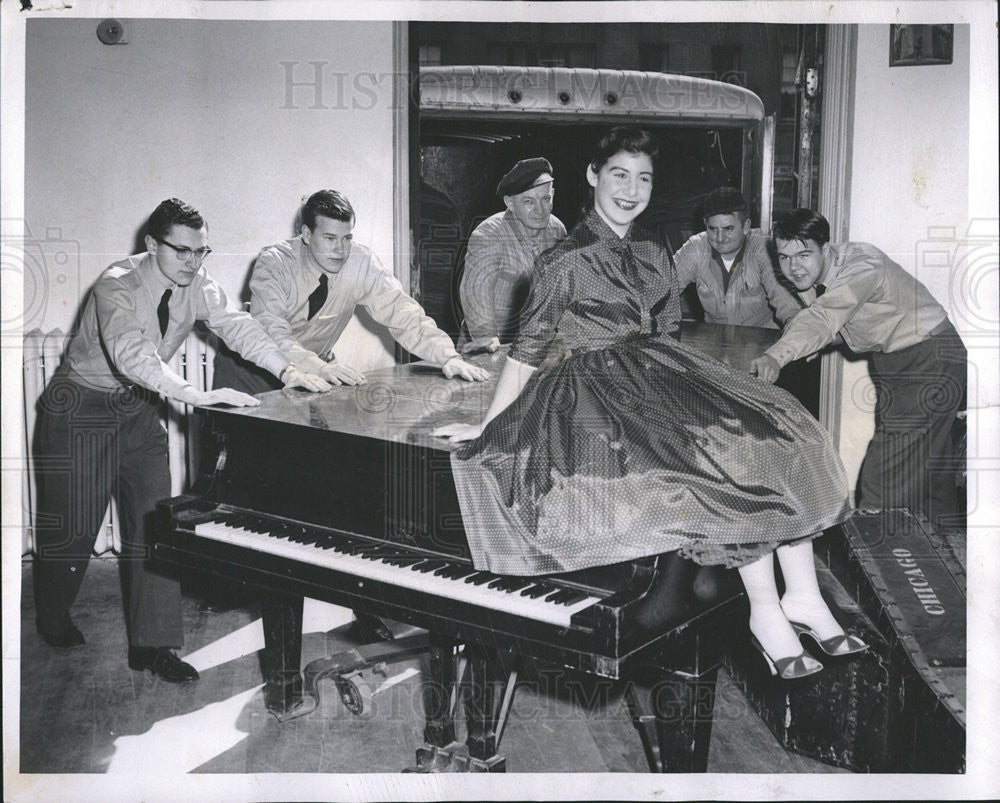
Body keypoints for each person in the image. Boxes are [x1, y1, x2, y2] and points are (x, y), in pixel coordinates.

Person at [434, 128, 867, 680]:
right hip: (593, 388)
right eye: (619, 174)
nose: (631, 189)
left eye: (644, 178)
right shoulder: (561, 260)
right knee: (722, 468)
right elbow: (527, 353)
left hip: (657, 372)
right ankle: (764, 609)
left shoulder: (654, 249)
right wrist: (491, 428)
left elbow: (665, 332)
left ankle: (802, 594)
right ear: (593, 176)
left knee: (777, 427)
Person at [31, 198, 330, 682]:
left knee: (156, 523)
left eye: (201, 252)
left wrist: (287, 369)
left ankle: (154, 646)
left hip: (139, 409)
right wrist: (198, 396)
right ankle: (51, 614)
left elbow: (237, 327)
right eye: (182, 251)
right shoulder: (116, 286)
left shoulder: (197, 284)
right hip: (81, 405)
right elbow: (133, 356)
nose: (193, 262)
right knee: (72, 528)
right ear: (152, 245)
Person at [750, 209, 967, 531]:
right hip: (899, 362)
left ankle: (877, 564)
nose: (793, 267)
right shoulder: (816, 277)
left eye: (803, 255)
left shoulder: (863, 264)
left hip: (928, 358)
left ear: (826, 248)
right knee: (929, 474)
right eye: (784, 258)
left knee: (885, 478)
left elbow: (824, 318)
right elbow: (845, 324)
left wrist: (776, 356)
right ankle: (950, 561)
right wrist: (816, 344)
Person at [213, 189, 487, 392]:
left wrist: (447, 356)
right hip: (252, 369)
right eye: (330, 238)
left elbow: (402, 312)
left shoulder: (361, 261)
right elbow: (272, 332)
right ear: (306, 235)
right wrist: (320, 368)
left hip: (316, 370)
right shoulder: (275, 262)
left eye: (347, 238)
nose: (340, 250)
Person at [458, 157, 566, 352]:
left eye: (546, 199)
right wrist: (487, 339)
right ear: (510, 203)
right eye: (528, 202)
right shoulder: (489, 235)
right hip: (489, 345)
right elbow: (475, 292)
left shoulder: (557, 230)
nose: (540, 210)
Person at [674, 186, 801, 329]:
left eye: (729, 229)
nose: (720, 238)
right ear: (706, 225)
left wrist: (794, 332)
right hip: (714, 343)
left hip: (761, 343)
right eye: (713, 229)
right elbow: (662, 290)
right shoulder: (696, 247)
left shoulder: (762, 248)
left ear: (746, 226)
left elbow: (787, 304)